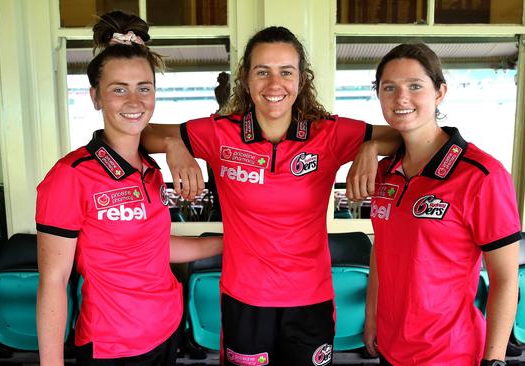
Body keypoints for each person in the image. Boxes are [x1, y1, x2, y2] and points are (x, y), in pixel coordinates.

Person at [141, 26, 401, 365]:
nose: (274, 84)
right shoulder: (221, 133)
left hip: (311, 299)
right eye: (262, 72)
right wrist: (174, 145)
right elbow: (144, 133)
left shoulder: (331, 133)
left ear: (301, 80)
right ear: (246, 79)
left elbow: (403, 135)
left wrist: (371, 146)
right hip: (245, 299)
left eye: (286, 72)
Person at [35, 11, 222, 366]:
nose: (134, 102)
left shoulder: (148, 168)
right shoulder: (70, 176)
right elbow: (54, 281)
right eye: (119, 89)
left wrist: (231, 243)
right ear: (95, 97)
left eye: (144, 88)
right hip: (112, 346)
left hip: (167, 330)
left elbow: (154, 249)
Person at [362, 43, 520, 366]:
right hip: (391, 348)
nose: (400, 98)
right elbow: (383, 249)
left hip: (451, 354)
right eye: (388, 88)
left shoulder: (483, 176)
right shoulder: (384, 172)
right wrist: (371, 316)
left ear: (440, 93)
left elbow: (505, 279)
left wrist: (495, 360)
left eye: (415, 86)